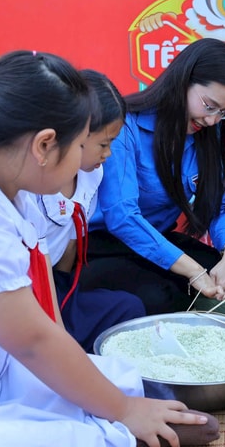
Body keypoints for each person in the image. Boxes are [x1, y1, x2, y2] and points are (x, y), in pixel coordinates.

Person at [0, 51, 219, 447]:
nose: (91, 156)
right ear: (45, 145)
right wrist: (121, 410)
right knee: (56, 442)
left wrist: (120, 398)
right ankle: (111, 434)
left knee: (120, 377)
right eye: (83, 143)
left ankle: (115, 419)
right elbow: (32, 340)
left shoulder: (11, 188)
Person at [78, 38, 225, 315]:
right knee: (161, 298)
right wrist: (193, 270)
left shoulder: (209, 131)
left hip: (160, 240)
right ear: (182, 81)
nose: (213, 120)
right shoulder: (126, 126)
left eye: (224, 112)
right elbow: (122, 217)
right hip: (104, 246)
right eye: (209, 105)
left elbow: (219, 204)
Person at [35, 69, 146, 353]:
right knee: (55, 341)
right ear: (75, 134)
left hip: (57, 285)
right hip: (27, 293)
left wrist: (68, 293)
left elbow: (70, 242)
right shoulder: (31, 185)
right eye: (103, 144)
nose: (108, 154)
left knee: (130, 307)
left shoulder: (91, 175)